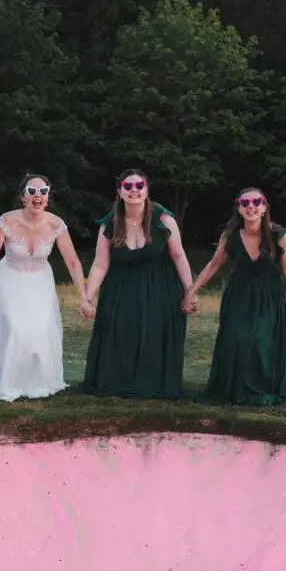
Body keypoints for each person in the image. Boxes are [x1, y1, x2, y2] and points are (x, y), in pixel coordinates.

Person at [0, 173, 91, 401]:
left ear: (48, 198)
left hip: (40, 281)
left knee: (40, 331)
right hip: (9, 279)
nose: (37, 196)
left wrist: (83, 296)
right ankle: (7, 382)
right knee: (14, 328)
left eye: (43, 191)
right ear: (22, 196)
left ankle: (36, 382)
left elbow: (72, 261)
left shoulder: (56, 224)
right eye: (32, 191)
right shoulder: (6, 221)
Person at [183, 187, 286, 406]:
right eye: (245, 203)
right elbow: (213, 265)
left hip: (268, 297)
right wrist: (191, 291)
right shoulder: (230, 237)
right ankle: (234, 388)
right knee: (237, 338)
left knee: (261, 340)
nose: (251, 206)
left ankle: (258, 389)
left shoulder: (278, 235)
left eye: (256, 202)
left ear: (264, 207)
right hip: (239, 296)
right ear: (239, 208)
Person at [78, 169, 194, 399]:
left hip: (160, 288)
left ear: (146, 190)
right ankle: (118, 382)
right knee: (120, 330)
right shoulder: (109, 224)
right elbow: (100, 264)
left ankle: (153, 384)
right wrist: (88, 296)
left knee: (153, 332)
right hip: (121, 288)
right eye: (128, 187)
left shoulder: (164, 220)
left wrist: (190, 292)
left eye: (139, 186)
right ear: (120, 192)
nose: (134, 191)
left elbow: (179, 256)